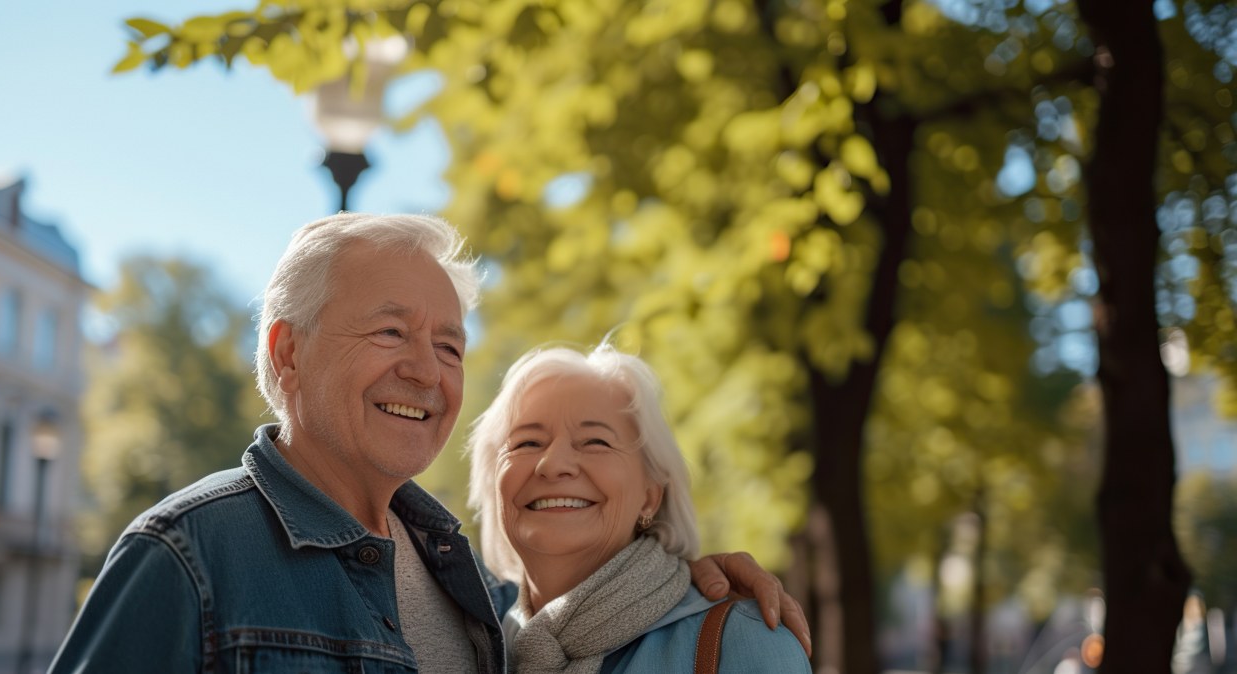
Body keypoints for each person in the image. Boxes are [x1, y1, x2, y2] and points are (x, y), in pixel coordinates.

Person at [49, 213, 809, 672]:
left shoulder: (470, 592)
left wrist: (690, 583)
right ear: (287, 352)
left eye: (450, 346)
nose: (425, 370)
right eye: (390, 332)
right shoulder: (187, 558)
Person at [467, 344, 812, 672]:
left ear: (650, 496)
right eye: (527, 442)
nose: (553, 463)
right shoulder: (470, 649)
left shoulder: (742, 642)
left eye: (595, 441)